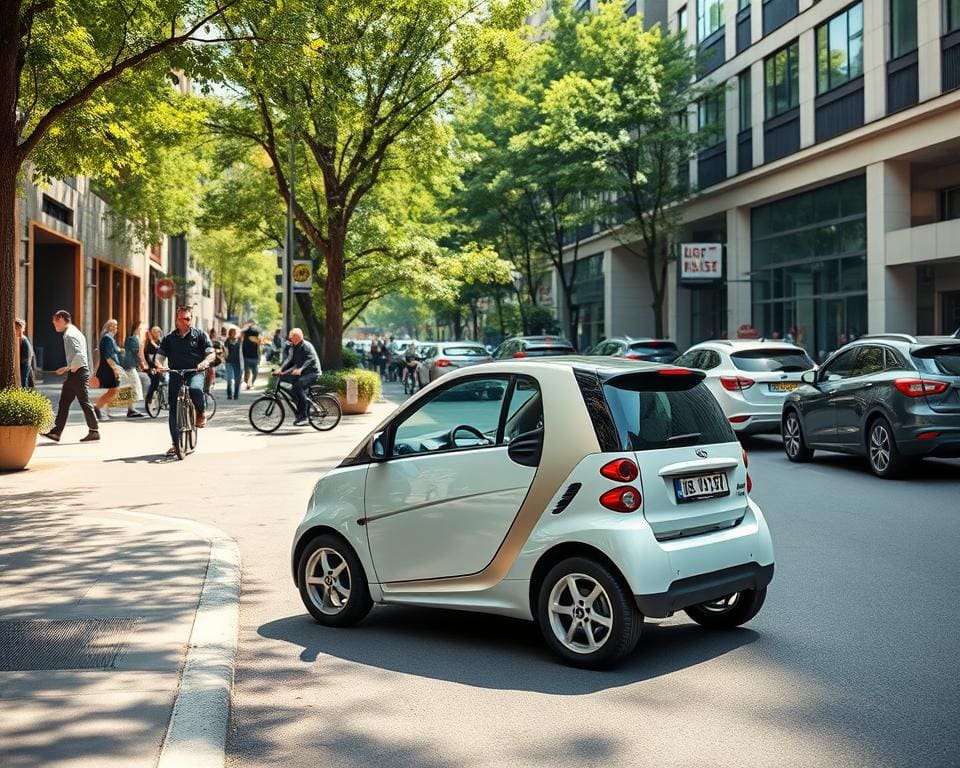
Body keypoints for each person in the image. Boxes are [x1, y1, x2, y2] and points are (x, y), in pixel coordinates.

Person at [154, 306, 215, 456]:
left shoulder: (200, 335)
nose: (184, 322)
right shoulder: (169, 338)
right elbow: (160, 355)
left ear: (191, 319)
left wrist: (205, 363)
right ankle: (176, 443)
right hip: (175, 373)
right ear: (176, 320)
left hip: (195, 372)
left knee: (195, 389)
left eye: (187, 319)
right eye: (181, 318)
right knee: (173, 409)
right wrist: (159, 365)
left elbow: (211, 353)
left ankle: (200, 411)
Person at [41, 310, 99, 442]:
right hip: (78, 372)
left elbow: (79, 355)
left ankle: (94, 430)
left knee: (82, 401)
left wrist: (67, 368)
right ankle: (56, 432)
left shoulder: (69, 335)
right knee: (65, 402)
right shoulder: (75, 332)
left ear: (61, 319)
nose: (53, 323)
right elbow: (84, 353)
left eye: (55, 320)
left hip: (77, 372)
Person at [277, 327, 321, 426]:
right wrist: (281, 370)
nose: (289, 340)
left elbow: (310, 359)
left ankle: (304, 417)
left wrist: (300, 369)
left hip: (312, 373)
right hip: (302, 373)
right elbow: (290, 360)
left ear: (296, 337)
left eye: (291, 338)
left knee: (297, 387)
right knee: (293, 390)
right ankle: (300, 414)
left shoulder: (306, 346)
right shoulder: (294, 347)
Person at [93, 319, 124, 420]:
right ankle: (97, 407)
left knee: (113, 390)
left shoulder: (110, 338)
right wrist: (115, 369)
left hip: (110, 367)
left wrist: (119, 350)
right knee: (114, 390)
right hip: (109, 368)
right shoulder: (107, 338)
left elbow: (113, 351)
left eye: (116, 326)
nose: (116, 328)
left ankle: (100, 409)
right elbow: (108, 356)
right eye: (114, 326)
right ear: (110, 327)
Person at [121, 321, 147, 418]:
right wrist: (142, 364)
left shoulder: (130, 338)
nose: (141, 330)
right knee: (135, 385)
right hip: (130, 365)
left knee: (131, 386)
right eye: (140, 328)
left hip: (128, 364)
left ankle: (131, 409)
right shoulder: (134, 339)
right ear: (137, 328)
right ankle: (131, 409)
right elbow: (137, 353)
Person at [144, 325, 164, 407]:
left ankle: (161, 401)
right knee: (154, 383)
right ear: (152, 333)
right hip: (151, 366)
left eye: (159, 331)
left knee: (161, 383)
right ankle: (148, 399)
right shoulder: (149, 344)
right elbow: (150, 357)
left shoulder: (159, 342)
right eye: (155, 332)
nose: (158, 333)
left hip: (159, 366)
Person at [241, 319, 262, 390]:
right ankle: (249, 383)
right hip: (247, 356)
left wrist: (259, 356)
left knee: (254, 372)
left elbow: (259, 347)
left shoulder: (256, 336)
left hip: (254, 357)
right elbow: (242, 331)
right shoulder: (246, 333)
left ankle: (250, 383)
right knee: (248, 372)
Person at [14, 318, 35, 388]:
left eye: (16, 327)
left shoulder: (23, 339)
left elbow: (29, 353)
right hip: (24, 362)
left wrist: (26, 362)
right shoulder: (20, 338)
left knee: (24, 380)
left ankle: (25, 395)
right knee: (24, 380)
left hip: (25, 362)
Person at [223, 327, 242, 399]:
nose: (235, 334)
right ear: (230, 333)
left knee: (237, 380)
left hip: (237, 362)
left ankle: (236, 395)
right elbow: (225, 351)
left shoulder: (239, 341)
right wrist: (225, 356)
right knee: (229, 379)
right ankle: (229, 395)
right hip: (229, 362)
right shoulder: (227, 341)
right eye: (233, 332)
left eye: (235, 332)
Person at [204, 329, 225, 395]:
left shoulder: (217, 342)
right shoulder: (207, 341)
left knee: (211, 373)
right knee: (208, 374)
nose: (213, 334)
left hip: (212, 362)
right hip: (206, 361)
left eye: (214, 333)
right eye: (212, 333)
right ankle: (207, 388)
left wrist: (217, 351)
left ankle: (208, 387)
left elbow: (222, 350)